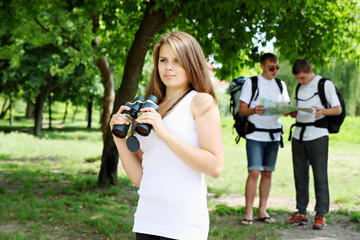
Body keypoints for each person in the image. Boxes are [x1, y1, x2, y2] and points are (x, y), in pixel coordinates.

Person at [110, 31, 224, 240]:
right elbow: (140, 178)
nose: (168, 67)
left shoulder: (200, 102)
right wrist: (119, 140)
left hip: (183, 222)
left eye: (177, 61)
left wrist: (164, 134)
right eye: (163, 60)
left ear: (192, 64)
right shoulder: (150, 107)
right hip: (148, 217)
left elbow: (214, 167)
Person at [286, 59, 342, 230]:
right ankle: (301, 212)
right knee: (300, 176)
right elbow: (297, 112)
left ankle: (321, 214)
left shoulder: (324, 84)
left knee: (320, 175)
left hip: (318, 135)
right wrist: (291, 112)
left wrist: (322, 111)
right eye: (298, 79)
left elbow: (337, 109)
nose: (300, 82)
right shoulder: (299, 86)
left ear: (310, 71)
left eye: (302, 78)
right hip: (299, 136)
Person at [239, 53, 290, 225]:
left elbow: (285, 108)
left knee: (267, 173)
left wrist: (290, 110)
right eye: (271, 67)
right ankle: (248, 213)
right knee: (254, 172)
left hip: (274, 134)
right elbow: (242, 110)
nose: (275, 70)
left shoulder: (280, 84)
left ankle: (262, 210)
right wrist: (254, 110)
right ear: (262, 66)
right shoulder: (251, 83)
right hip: (255, 134)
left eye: (277, 67)